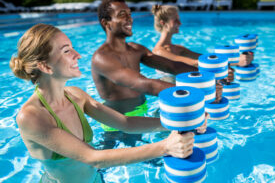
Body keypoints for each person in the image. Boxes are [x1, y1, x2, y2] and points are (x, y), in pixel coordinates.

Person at [10, 23, 195, 183]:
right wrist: (165, 146)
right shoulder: (31, 116)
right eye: (67, 51)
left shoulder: (75, 95)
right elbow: (94, 158)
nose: (78, 55)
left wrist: (180, 123)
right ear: (45, 66)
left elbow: (125, 123)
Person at [93, 0, 208, 132]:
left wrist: (207, 79)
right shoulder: (102, 58)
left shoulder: (136, 49)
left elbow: (172, 66)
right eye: (122, 14)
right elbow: (146, 84)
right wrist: (194, 93)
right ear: (106, 23)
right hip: (118, 124)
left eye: (129, 14)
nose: (129, 18)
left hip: (143, 112)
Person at [151, 4, 253, 80]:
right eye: (175, 20)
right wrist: (234, 63)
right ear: (163, 23)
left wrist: (234, 60)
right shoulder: (159, 52)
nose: (180, 23)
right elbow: (192, 63)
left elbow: (206, 58)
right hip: (171, 100)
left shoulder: (178, 48)